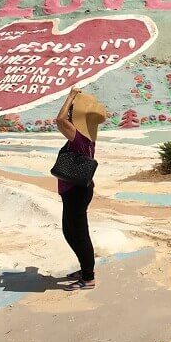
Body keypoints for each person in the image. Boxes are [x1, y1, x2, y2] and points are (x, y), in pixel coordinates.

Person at [55, 86, 107, 291]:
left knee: (79, 233)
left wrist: (70, 97)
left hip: (76, 191)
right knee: (69, 231)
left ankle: (88, 277)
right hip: (74, 190)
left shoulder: (80, 138)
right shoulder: (87, 136)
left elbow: (59, 121)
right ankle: (85, 268)